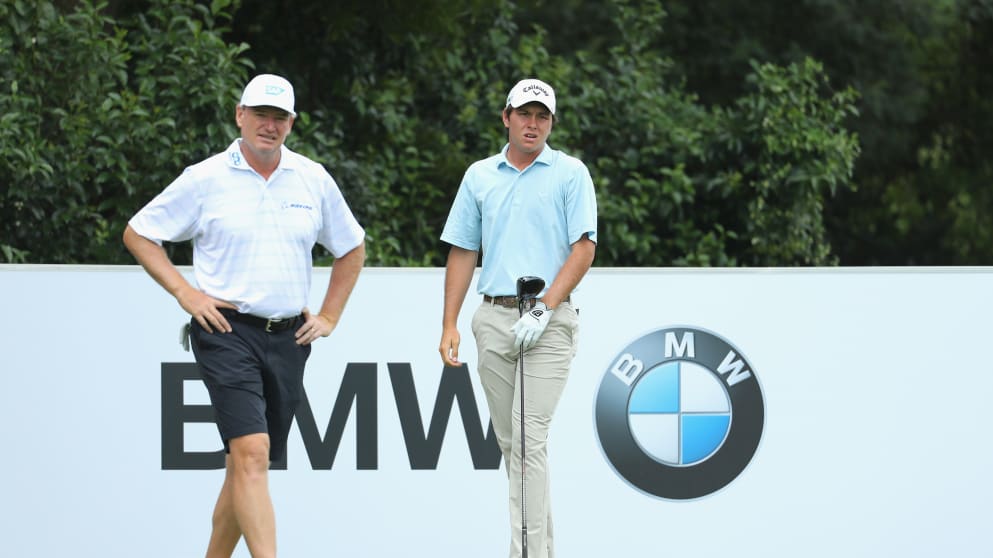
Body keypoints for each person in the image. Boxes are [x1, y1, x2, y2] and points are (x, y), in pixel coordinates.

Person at [123, 73, 366, 558]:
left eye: (279, 118)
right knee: (252, 454)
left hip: (290, 338)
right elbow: (139, 233)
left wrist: (330, 316)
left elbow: (352, 247)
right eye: (260, 115)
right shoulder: (205, 178)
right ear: (240, 115)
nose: (269, 126)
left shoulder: (312, 178)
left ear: (291, 124)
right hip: (226, 331)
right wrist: (185, 294)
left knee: (244, 466)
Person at [438, 78, 597, 558]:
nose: (533, 124)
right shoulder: (479, 176)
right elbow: (464, 249)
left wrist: (546, 306)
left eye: (542, 116)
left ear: (551, 123)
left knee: (528, 441)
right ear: (506, 117)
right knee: (516, 449)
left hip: (548, 320)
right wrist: (450, 322)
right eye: (524, 114)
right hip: (494, 318)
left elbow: (583, 249)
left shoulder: (570, 173)